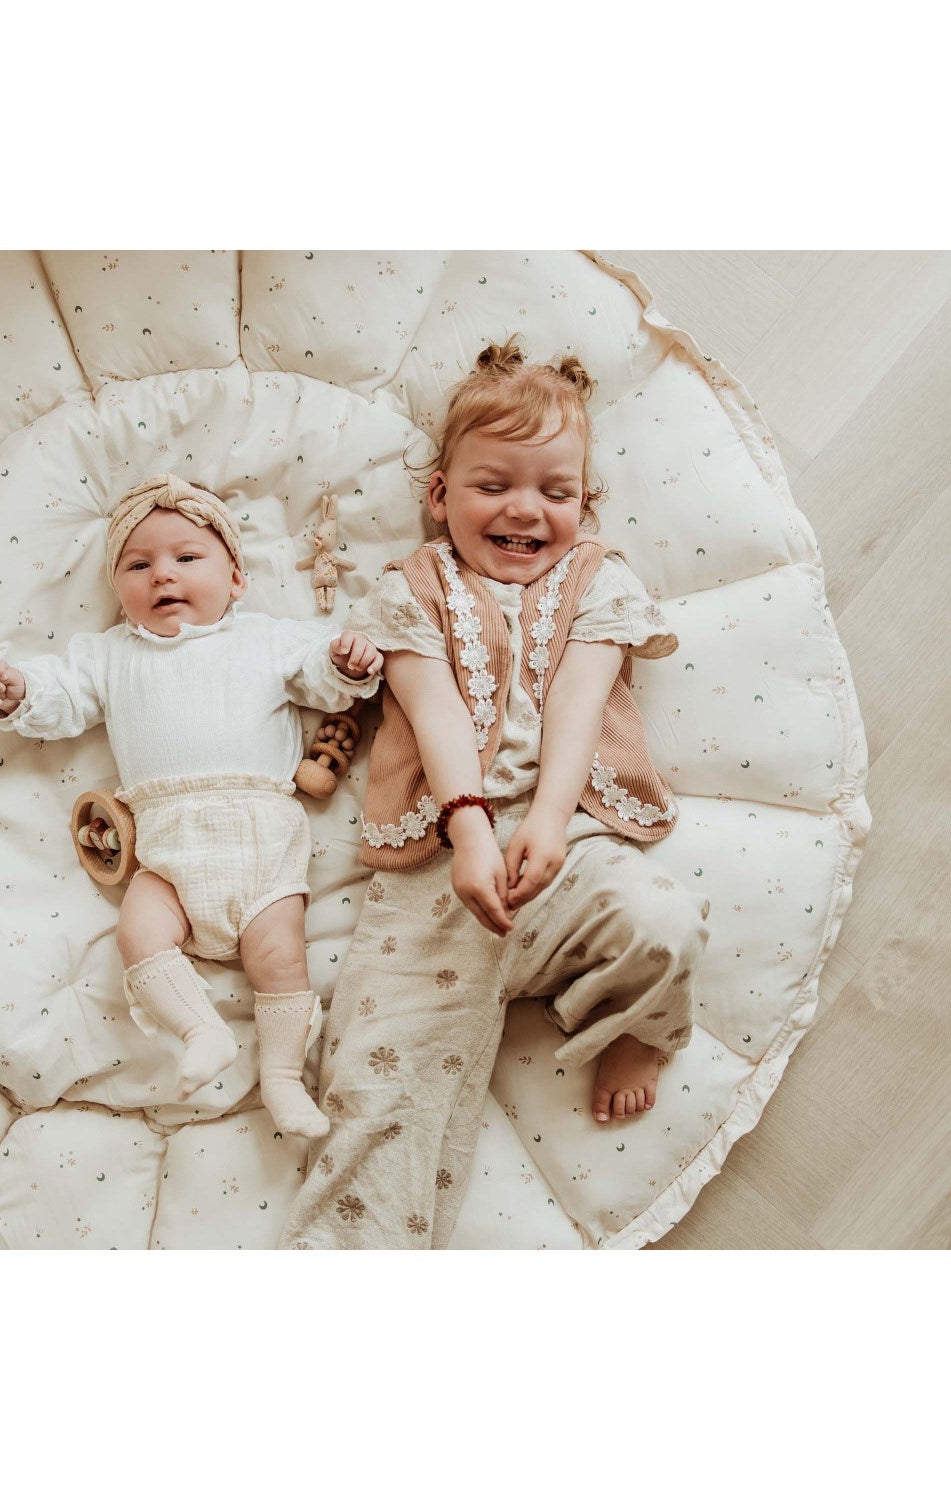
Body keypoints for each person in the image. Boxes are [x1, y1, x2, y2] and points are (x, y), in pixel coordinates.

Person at [279, 338, 709, 1247]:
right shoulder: (411, 590)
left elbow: (581, 703)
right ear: (440, 496)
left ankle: (636, 1023)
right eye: (493, 485)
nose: (524, 509)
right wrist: (471, 830)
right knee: (375, 1091)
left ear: (585, 504)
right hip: (436, 869)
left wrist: (547, 821)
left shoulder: (598, 579)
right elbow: (433, 709)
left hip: (569, 846)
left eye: (555, 491)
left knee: (661, 921)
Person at [0, 474, 382, 1139]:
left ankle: (282, 1076)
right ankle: (201, 1031)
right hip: (166, 844)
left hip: (260, 837)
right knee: (137, 933)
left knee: (280, 956)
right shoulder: (110, 654)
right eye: (138, 566)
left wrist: (348, 662)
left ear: (237, 580)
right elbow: (64, 694)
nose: (162, 575)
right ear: (119, 591)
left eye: (186, 557)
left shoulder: (265, 638)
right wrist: (22, 693)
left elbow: (324, 678)